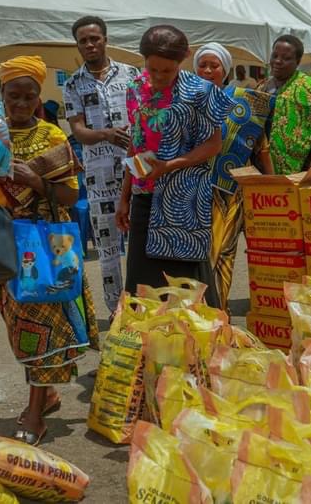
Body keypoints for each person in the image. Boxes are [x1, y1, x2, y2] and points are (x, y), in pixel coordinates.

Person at [0, 55, 97, 445]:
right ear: (2, 94)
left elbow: (71, 193)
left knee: (42, 328)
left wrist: (34, 180)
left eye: (28, 96)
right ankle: (48, 393)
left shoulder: (53, 137)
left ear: (39, 98)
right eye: (12, 95)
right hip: (2, 243)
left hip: (44, 243)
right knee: (17, 326)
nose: (20, 104)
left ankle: (35, 413)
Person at [117, 25, 233, 307]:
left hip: (183, 202)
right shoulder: (136, 89)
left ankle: (196, 344)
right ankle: (148, 346)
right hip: (145, 196)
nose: (158, 77)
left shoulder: (201, 92)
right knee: (143, 283)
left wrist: (170, 166)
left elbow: (213, 145)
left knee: (186, 284)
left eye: (166, 71)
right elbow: (136, 142)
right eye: (152, 69)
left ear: (182, 61)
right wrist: (124, 196)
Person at [62, 16, 139, 315]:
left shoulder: (131, 74)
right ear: (78, 45)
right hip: (98, 179)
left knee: (138, 244)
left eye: (95, 38)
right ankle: (116, 312)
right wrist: (107, 135)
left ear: (106, 39)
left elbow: (143, 118)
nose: (90, 44)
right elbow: (78, 131)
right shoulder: (72, 84)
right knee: (107, 252)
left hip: (135, 172)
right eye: (84, 40)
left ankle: (141, 307)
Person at [196, 42, 274, 304]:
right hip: (195, 191)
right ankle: (203, 314)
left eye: (213, 65)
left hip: (230, 194)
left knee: (223, 253)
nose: (207, 70)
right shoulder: (187, 102)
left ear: (225, 70)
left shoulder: (244, 102)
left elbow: (260, 147)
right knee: (198, 253)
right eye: (202, 65)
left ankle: (219, 310)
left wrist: (271, 185)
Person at [259, 35, 311, 174]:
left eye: (286, 58)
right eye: (274, 55)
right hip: (261, 165)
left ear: (298, 61)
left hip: (298, 168)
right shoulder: (262, 88)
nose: (278, 61)